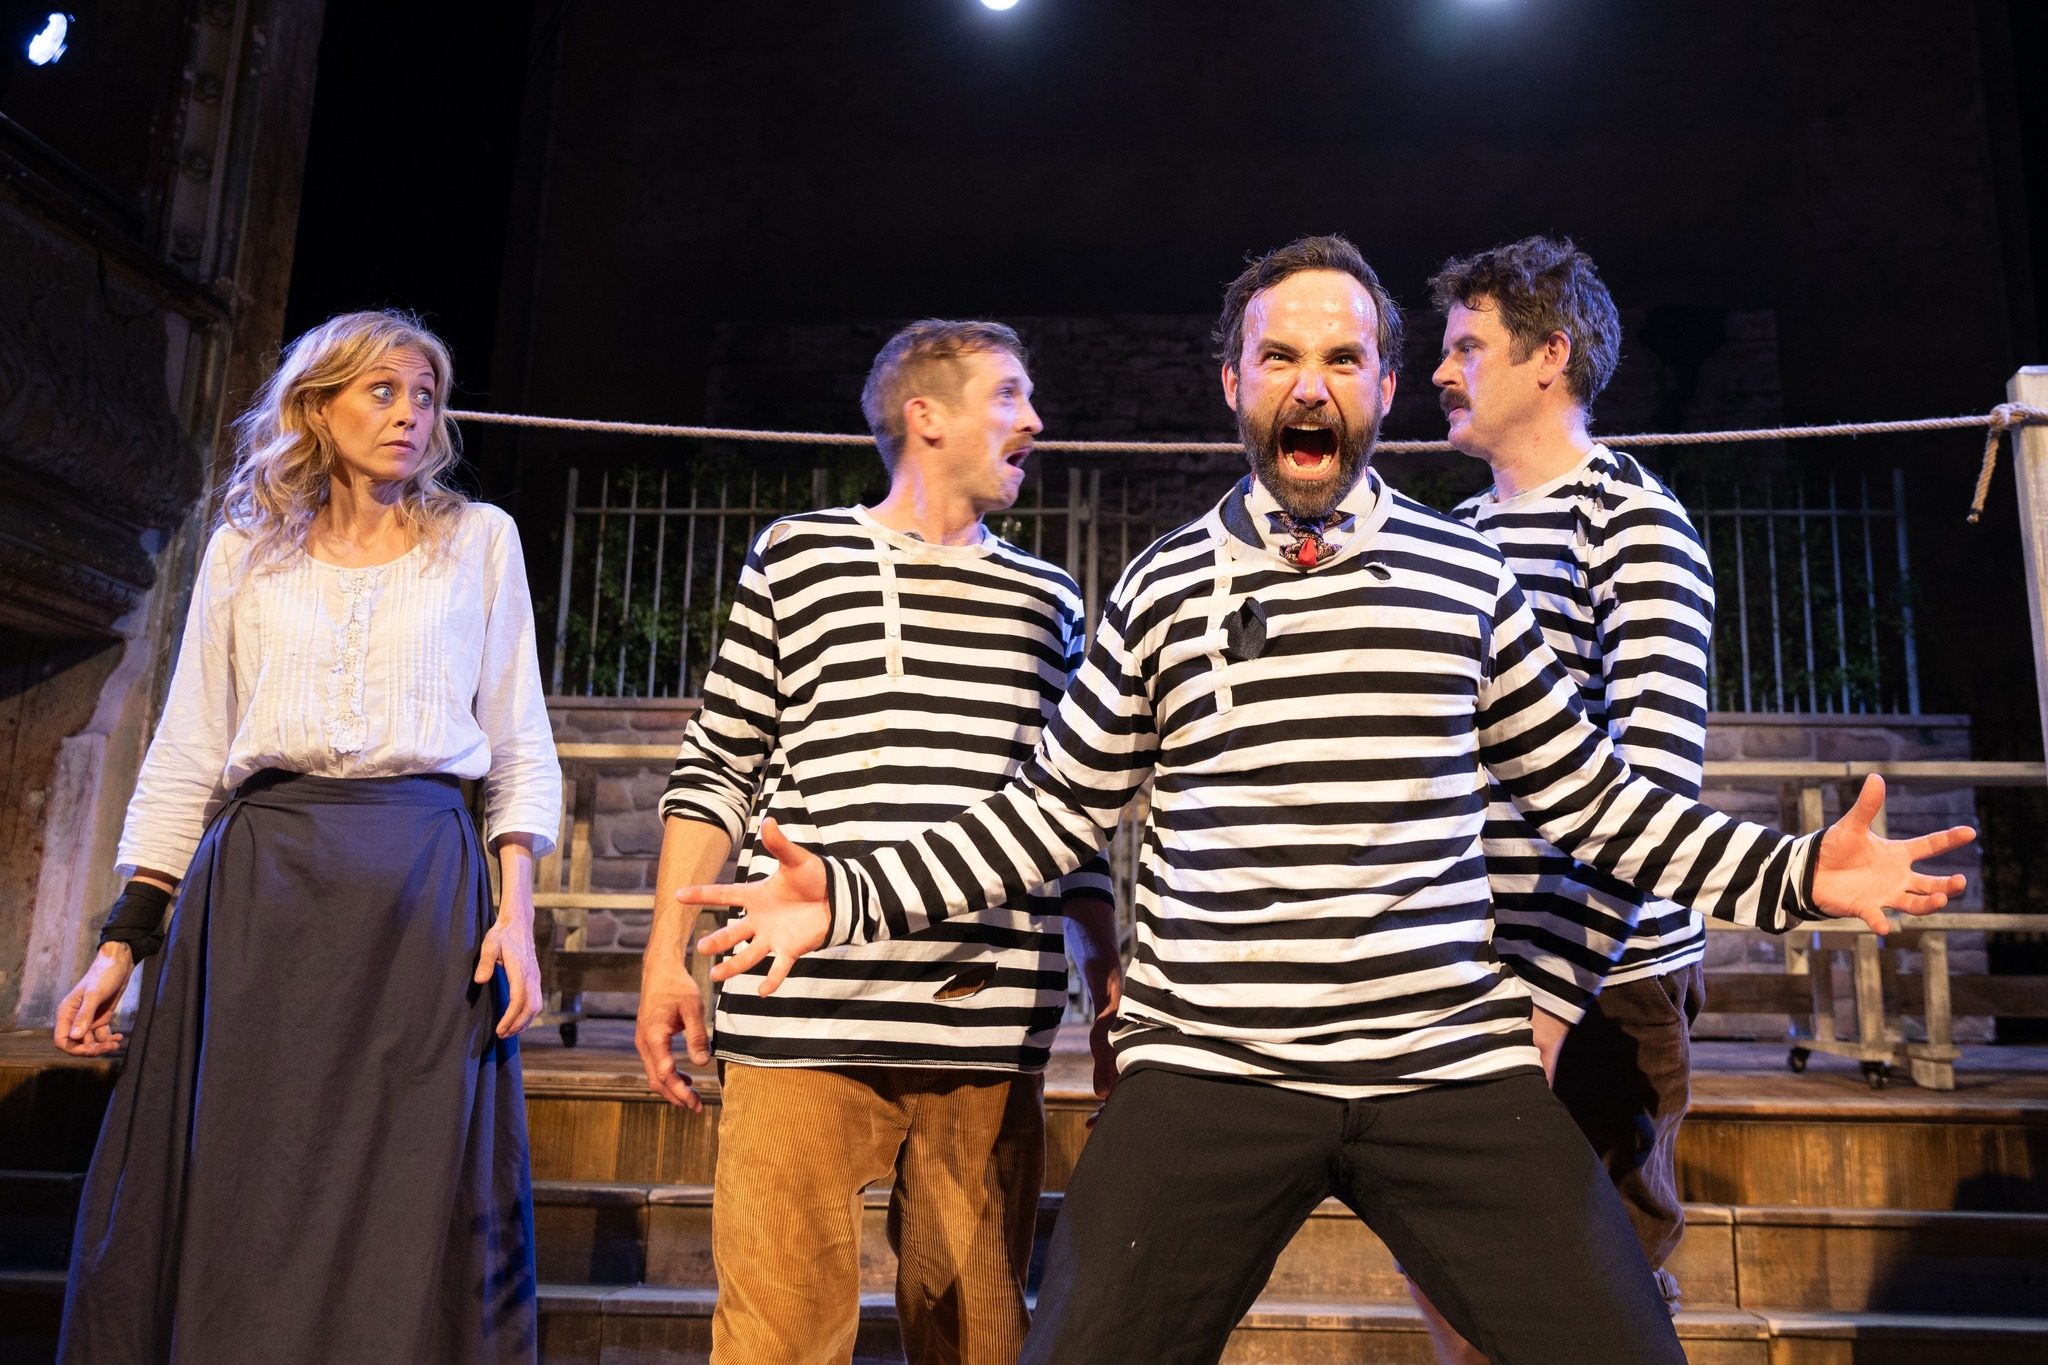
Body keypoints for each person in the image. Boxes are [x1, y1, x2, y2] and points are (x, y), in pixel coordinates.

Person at [675, 235, 1973, 1365]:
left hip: (1439, 1065)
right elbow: (1049, 811)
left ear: (1383, 388)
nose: (1310, 384)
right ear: (1232, 384)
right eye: (1280, 357)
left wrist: (1797, 872)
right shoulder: (1163, 587)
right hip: (1213, 1067)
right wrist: (846, 895)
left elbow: (1598, 801)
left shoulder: (1466, 580)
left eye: (1343, 359)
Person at [52, 310, 561, 1365]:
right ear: (317, 409)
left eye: (425, 396)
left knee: (404, 1173)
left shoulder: (479, 540)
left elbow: (517, 740)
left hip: (420, 888)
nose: (410, 414)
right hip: (263, 889)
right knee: (251, 1166)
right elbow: (190, 745)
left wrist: (516, 917)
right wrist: (121, 941)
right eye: (382, 391)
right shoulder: (246, 551)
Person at [634, 319, 1122, 1364]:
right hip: (798, 1003)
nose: (1035, 420)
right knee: (776, 1335)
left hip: (983, 1016)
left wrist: (1105, 976)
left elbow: (1068, 812)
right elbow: (718, 762)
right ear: (925, 415)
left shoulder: (1049, 599)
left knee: (978, 1333)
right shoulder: (800, 555)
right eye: (1009, 394)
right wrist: (663, 959)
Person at [1401, 236, 1715, 1362]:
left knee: (1593, 1297)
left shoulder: (1631, 523)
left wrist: (1547, 994)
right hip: (1472, 966)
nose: (1439, 371)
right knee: (1447, 1263)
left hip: (1602, 981)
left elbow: (1653, 791)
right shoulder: (1455, 543)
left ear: (1549, 356)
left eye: (1465, 347)